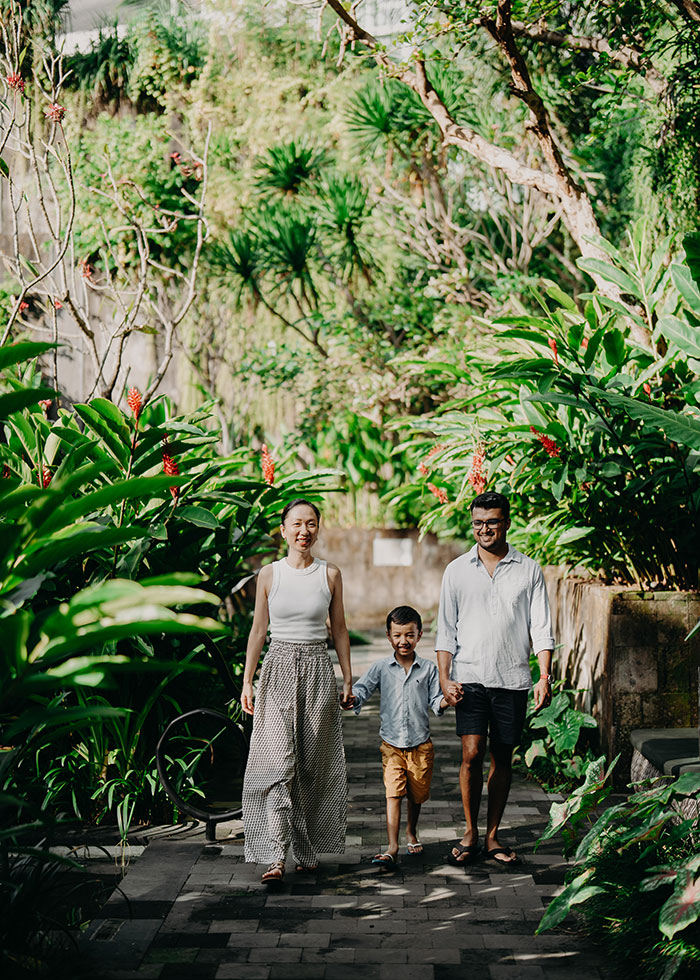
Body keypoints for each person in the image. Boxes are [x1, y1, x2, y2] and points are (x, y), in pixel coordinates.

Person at [436, 491, 553, 867]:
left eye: (492, 522)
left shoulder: (528, 569)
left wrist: (544, 675)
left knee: (503, 756)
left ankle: (492, 836)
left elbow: (542, 627)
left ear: (506, 522)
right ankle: (470, 832)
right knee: (471, 754)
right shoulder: (456, 570)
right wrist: (443, 678)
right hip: (468, 677)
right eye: (478, 523)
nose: (484, 529)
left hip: (513, 678)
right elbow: (444, 631)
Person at [240, 498, 354, 883]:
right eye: (296, 524)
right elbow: (258, 631)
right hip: (277, 670)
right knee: (276, 764)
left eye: (311, 524)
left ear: (317, 529)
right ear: (284, 530)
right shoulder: (269, 575)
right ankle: (275, 855)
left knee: (312, 765)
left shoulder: (331, 574)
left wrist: (348, 678)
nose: (304, 531)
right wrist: (247, 680)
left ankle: (305, 851)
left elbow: (339, 630)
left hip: (318, 671)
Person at [348, 605, 447, 869]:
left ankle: (411, 831)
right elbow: (363, 688)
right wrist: (352, 698)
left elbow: (437, 701)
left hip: (420, 745)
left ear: (419, 635)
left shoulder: (428, 669)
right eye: (398, 635)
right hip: (391, 745)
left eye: (409, 635)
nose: (404, 641)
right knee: (393, 793)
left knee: (417, 796)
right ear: (389, 636)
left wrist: (448, 700)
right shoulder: (381, 667)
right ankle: (392, 846)